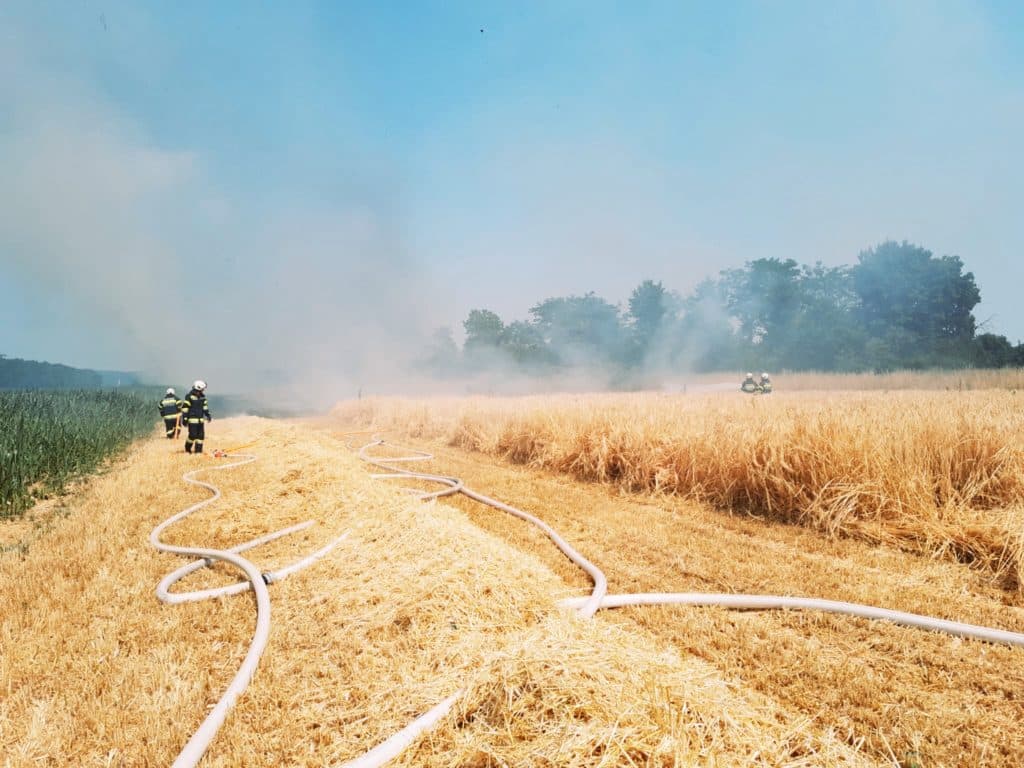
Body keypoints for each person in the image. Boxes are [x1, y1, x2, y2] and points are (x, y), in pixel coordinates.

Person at [181, 380, 212, 454]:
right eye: (203, 389)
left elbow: (205, 407)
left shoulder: (203, 397)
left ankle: (198, 451)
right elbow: (185, 408)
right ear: (199, 388)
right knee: (192, 435)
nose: (203, 390)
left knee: (201, 436)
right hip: (192, 420)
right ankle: (187, 448)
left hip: (200, 420)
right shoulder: (189, 397)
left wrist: (208, 415)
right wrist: (185, 418)